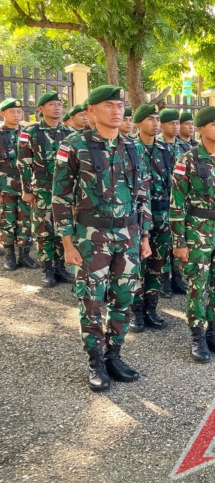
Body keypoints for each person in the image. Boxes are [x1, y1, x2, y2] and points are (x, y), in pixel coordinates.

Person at [52, 85, 152, 391]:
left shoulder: (133, 147)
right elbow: (59, 198)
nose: (117, 110)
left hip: (129, 236)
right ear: (91, 111)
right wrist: (67, 243)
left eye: (119, 105)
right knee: (92, 302)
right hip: (91, 238)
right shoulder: (73, 145)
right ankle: (95, 360)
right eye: (109, 105)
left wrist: (145, 237)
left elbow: (142, 195)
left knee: (124, 299)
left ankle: (114, 355)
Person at [170, 106, 215, 363]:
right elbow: (177, 204)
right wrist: (179, 241)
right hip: (197, 232)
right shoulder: (187, 160)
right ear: (201, 130)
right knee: (197, 284)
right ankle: (197, 336)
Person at [17, 92, 73, 285]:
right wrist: (27, 189)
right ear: (41, 109)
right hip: (41, 189)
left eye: (59, 104)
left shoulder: (69, 133)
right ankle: (46, 269)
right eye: (52, 104)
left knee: (62, 227)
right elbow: (24, 163)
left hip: (64, 191)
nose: (57, 108)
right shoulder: (30, 132)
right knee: (43, 229)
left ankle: (60, 268)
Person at [127, 104, 170, 332]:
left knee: (157, 265)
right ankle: (136, 312)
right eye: (150, 119)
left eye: (157, 119)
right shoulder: (130, 148)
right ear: (138, 123)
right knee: (137, 265)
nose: (155, 123)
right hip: (138, 217)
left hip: (162, 216)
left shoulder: (165, 149)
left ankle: (151, 309)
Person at [1, 98, 38, 271]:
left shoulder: (27, 134)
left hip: (26, 184)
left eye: (18, 112)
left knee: (26, 219)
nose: (16, 115)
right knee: (7, 220)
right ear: (2, 114)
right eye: (11, 112)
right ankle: (10, 256)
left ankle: (24, 255)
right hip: (4, 185)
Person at [155, 108, 189, 298]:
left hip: (178, 203)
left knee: (177, 239)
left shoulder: (183, 148)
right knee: (162, 243)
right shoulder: (157, 145)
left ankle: (177, 277)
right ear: (162, 125)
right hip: (160, 202)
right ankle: (163, 280)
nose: (176, 127)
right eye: (171, 123)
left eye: (177, 123)